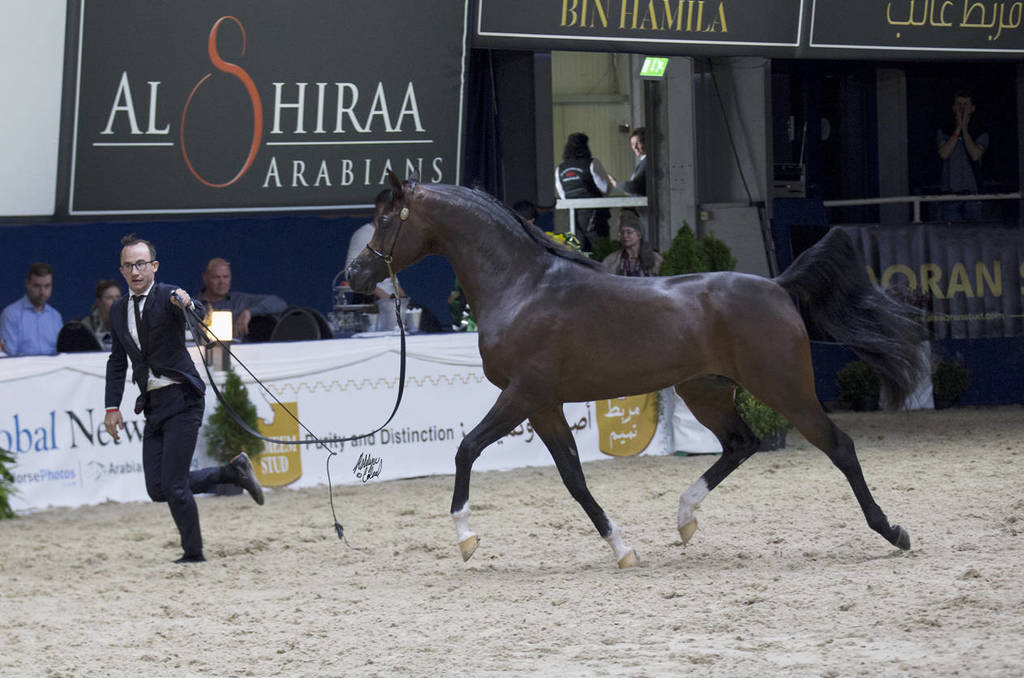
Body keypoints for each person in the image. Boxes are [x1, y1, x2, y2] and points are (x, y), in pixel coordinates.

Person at [103, 234, 264, 564]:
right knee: (158, 489)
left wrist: (191, 305)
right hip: (153, 404)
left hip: (184, 398)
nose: (136, 271)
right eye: (129, 266)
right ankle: (232, 473)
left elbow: (205, 332)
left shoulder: (169, 296)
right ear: (121, 270)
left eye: (141, 264)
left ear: (154, 266)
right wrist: (111, 407)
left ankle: (194, 554)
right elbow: (117, 361)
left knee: (175, 485)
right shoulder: (118, 310)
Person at [199, 257, 287, 340]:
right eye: (216, 277)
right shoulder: (192, 305)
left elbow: (279, 303)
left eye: (226, 277)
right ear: (205, 278)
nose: (222, 282)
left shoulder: (241, 301)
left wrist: (249, 312)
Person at [936, 90, 989, 221]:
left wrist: (965, 130)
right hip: (950, 196)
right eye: (959, 104)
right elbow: (943, 153)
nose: (962, 108)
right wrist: (957, 129)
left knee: (974, 234)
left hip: (973, 195)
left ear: (972, 108)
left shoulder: (981, 132)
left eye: (966, 104)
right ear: (953, 108)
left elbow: (975, 154)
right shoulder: (944, 131)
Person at [555, 132, 612, 251]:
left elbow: (563, 196)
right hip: (595, 217)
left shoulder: (560, 169)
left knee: (576, 252)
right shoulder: (592, 163)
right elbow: (605, 188)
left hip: (571, 218)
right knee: (600, 252)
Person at [1, 262, 63, 357]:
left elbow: (61, 353)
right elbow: (8, 356)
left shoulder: (56, 317)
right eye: (37, 286)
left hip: (53, 370)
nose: (42, 292)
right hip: (24, 370)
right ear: (27, 284)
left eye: (47, 286)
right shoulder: (11, 314)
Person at [601, 211, 662, 277]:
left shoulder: (655, 259)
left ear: (639, 235)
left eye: (629, 232)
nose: (625, 235)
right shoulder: (611, 260)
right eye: (622, 232)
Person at [80, 279, 122, 349]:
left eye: (118, 297)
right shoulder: (87, 325)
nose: (115, 301)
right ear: (99, 301)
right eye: (109, 298)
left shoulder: (130, 322)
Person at [609, 127, 647, 197]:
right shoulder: (643, 161)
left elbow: (634, 186)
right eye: (632, 144)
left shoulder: (646, 162)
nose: (635, 147)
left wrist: (616, 184)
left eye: (638, 143)